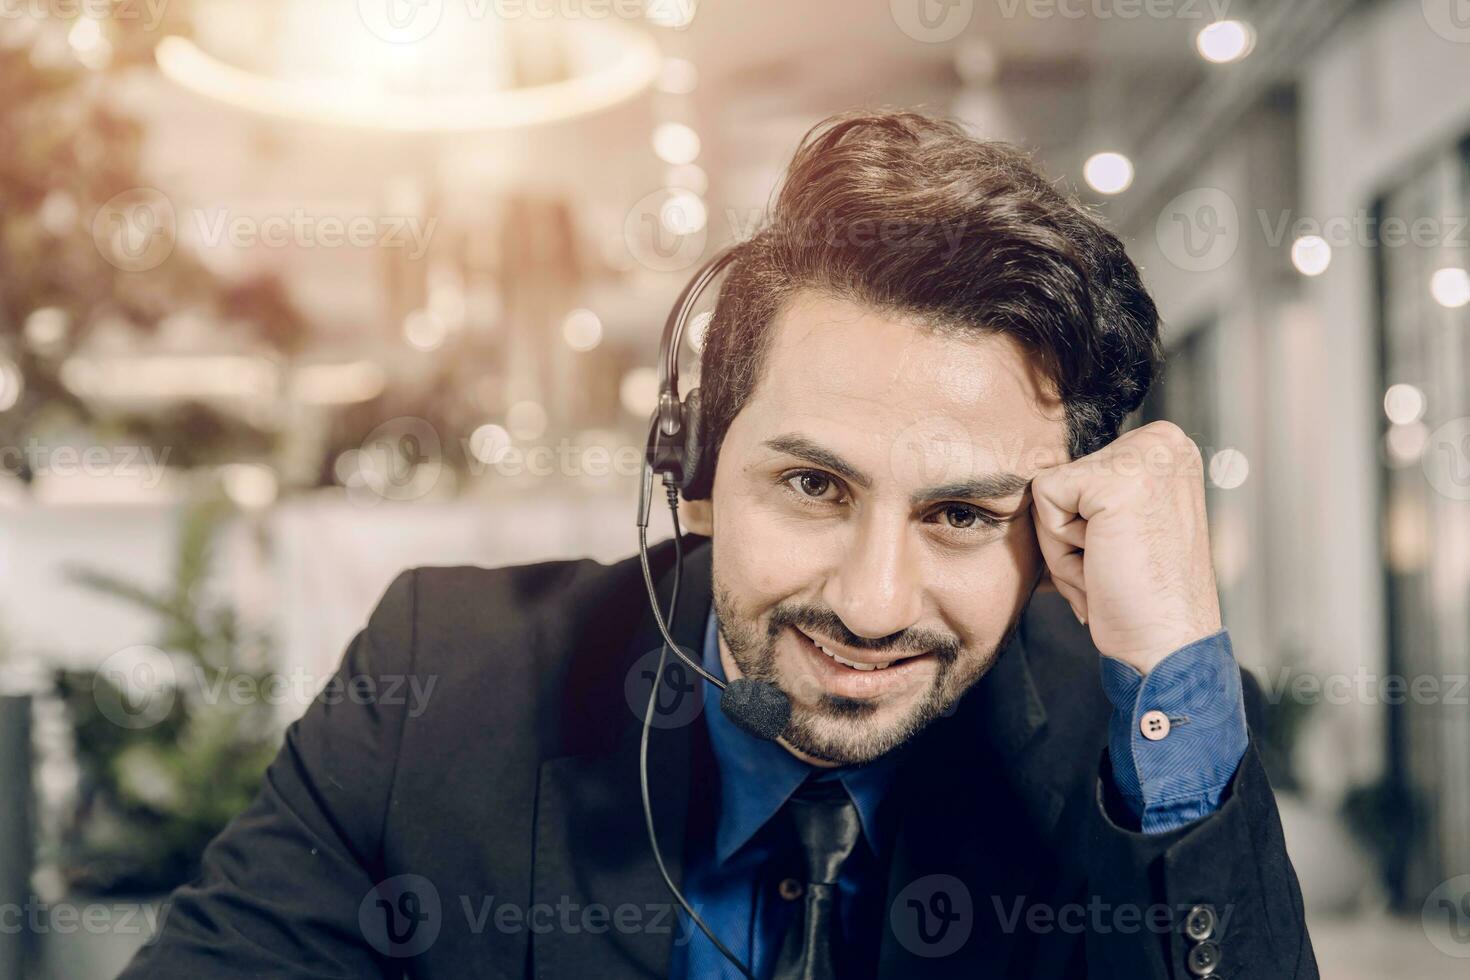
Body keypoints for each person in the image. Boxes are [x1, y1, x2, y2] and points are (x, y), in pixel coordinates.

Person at [121, 109, 1316, 979]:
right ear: (692, 469)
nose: (871, 599)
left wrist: (1177, 669)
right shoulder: (439, 681)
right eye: (811, 483)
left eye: (961, 513)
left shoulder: (1138, 747)